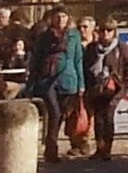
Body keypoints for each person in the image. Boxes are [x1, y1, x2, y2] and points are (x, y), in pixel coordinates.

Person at [24, 9, 85, 163]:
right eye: (57, 16)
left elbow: (78, 60)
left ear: (68, 18)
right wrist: (31, 83)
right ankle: (51, 149)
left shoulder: (74, 35)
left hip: (67, 78)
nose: (60, 19)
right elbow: (36, 60)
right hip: (47, 79)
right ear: (51, 18)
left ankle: (53, 143)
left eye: (63, 16)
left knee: (62, 114)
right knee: (54, 113)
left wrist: (81, 83)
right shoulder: (45, 37)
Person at [85, 19, 128, 160]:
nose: (105, 33)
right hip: (96, 87)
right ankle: (99, 148)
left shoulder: (121, 47)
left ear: (114, 32)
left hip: (114, 88)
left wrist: (126, 85)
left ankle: (107, 149)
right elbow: (86, 66)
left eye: (109, 30)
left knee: (108, 117)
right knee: (98, 119)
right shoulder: (92, 48)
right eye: (103, 30)